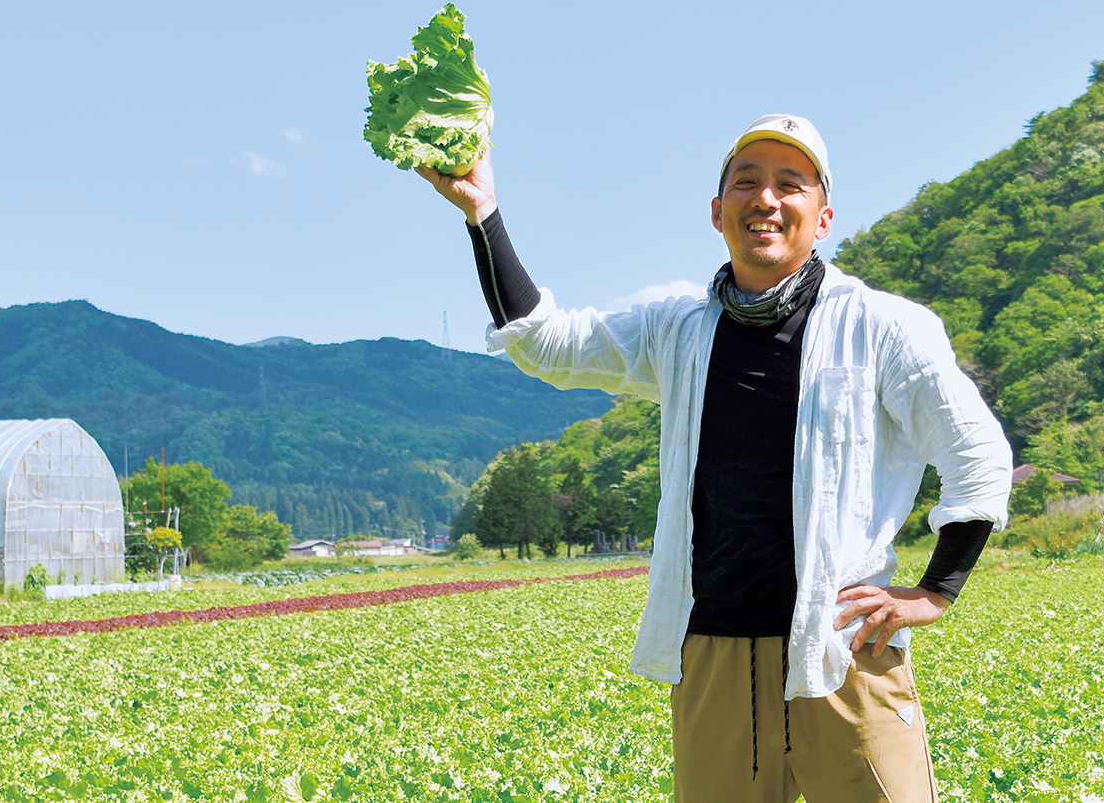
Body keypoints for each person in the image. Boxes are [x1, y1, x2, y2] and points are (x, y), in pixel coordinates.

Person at [417, 114, 1012, 802]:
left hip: (842, 653)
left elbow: (975, 451)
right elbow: (546, 344)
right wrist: (481, 213)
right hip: (709, 653)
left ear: (822, 217)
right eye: (746, 182)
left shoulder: (882, 327)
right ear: (717, 210)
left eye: (791, 184)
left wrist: (935, 591)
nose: (766, 199)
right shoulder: (679, 326)